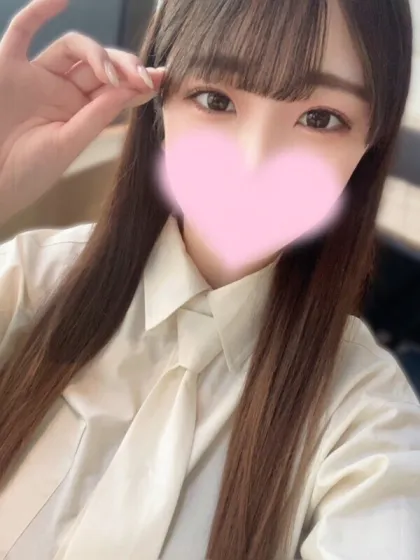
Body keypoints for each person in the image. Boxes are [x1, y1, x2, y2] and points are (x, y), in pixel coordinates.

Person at [0, 0, 419, 559]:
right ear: (157, 104)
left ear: (369, 146)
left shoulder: (366, 413)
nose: (254, 162)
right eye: (216, 99)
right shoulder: (29, 281)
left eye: (320, 118)